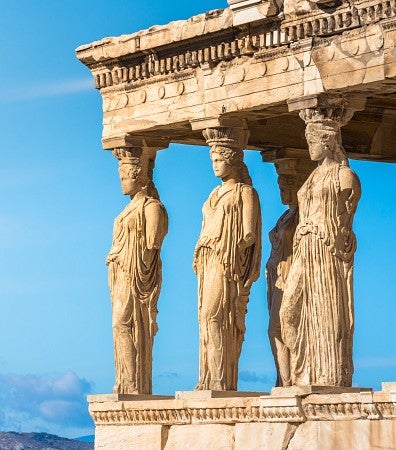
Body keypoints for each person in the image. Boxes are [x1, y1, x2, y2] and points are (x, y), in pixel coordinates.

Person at [280, 121, 361, 386]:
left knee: (326, 311)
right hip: (304, 247)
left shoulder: (345, 176)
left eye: (313, 141)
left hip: (326, 250)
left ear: (327, 142)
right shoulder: (311, 177)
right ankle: (301, 372)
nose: (309, 147)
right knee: (288, 312)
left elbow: (346, 222)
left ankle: (329, 375)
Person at [193, 142, 261, 391]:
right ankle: (209, 378)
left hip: (226, 259)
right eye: (213, 161)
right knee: (206, 318)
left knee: (216, 315)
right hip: (207, 259)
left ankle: (221, 381)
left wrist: (232, 251)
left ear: (232, 161)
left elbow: (249, 233)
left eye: (219, 160)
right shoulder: (213, 193)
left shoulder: (245, 193)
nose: (215, 165)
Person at [106, 149, 168, 394]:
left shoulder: (152, 207)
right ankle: (127, 382)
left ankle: (134, 384)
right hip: (120, 273)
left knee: (125, 323)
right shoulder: (129, 209)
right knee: (119, 325)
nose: (121, 183)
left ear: (139, 176)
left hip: (136, 275)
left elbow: (152, 243)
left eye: (124, 177)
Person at [266, 159, 314, 387]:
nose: (282, 192)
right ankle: (284, 380)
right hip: (276, 276)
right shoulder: (284, 217)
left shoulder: (302, 217)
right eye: (280, 187)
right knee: (276, 327)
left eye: (286, 187)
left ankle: (295, 377)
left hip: (291, 275)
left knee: (283, 324)